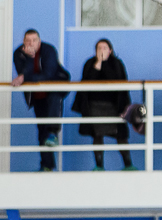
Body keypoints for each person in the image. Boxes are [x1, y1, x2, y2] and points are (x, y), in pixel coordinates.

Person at [71, 39, 136, 171]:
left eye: (104, 48)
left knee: (121, 136)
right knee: (97, 135)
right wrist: (99, 63)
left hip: (114, 107)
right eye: (99, 48)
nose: (101, 51)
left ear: (110, 50)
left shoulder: (117, 63)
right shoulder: (90, 63)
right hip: (94, 106)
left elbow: (116, 80)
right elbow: (88, 81)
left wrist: (105, 63)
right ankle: (99, 166)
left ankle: (128, 165)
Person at [11, 29, 70, 172]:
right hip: (37, 96)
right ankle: (47, 166)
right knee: (42, 131)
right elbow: (24, 75)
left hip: (55, 88)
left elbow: (48, 74)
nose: (31, 43)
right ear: (23, 42)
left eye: (34, 40)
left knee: (50, 127)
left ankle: (53, 132)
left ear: (39, 41)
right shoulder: (19, 53)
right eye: (28, 41)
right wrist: (30, 58)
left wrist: (24, 77)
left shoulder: (48, 50)